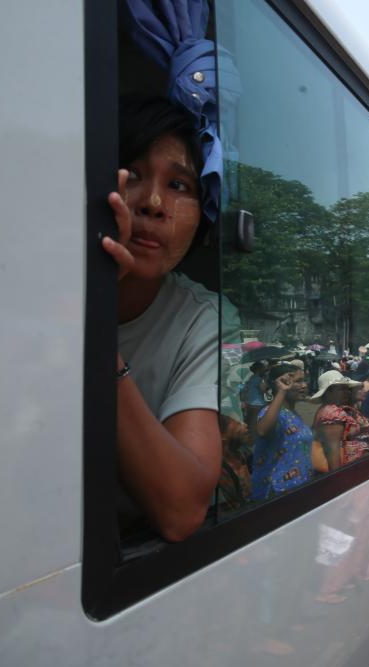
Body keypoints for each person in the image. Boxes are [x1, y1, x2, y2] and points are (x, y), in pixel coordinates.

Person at [101, 96, 225, 542]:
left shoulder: (200, 318)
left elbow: (181, 510)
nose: (154, 202)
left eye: (178, 185)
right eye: (132, 174)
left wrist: (92, 326)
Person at [251, 364, 314, 501]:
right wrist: (282, 391)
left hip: (299, 489)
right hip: (278, 493)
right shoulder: (271, 413)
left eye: (304, 380)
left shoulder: (293, 413)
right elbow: (262, 430)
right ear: (281, 384)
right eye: (298, 381)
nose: (304, 385)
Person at [311, 370, 369, 472]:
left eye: (347, 388)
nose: (347, 392)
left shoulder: (341, 409)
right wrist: (338, 477)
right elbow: (333, 452)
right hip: (350, 471)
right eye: (341, 389)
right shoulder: (330, 413)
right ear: (328, 392)